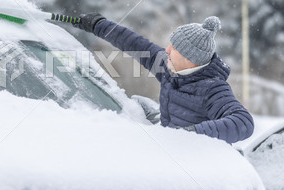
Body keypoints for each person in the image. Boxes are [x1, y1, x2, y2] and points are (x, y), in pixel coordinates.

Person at [52, 13, 254, 143]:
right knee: (137, 105)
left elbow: (243, 122)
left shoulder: (213, 89)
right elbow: (135, 44)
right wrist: (99, 25)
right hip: (169, 150)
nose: (166, 50)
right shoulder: (168, 67)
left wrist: (191, 134)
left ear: (190, 58)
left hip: (195, 166)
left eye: (173, 48)